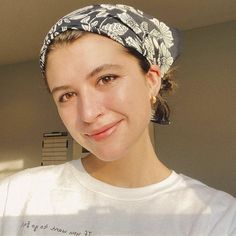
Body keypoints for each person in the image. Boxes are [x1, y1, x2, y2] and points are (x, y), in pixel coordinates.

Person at [0, 4, 235, 236]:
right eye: (67, 95)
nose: (89, 114)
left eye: (106, 78)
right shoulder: (16, 197)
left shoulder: (217, 218)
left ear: (152, 80)